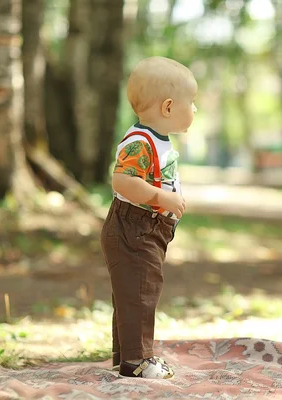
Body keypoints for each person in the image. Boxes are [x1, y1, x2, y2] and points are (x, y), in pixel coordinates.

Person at [100, 56, 197, 379]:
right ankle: (137, 360)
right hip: (134, 227)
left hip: (147, 229)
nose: (194, 110)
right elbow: (123, 181)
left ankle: (124, 356)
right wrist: (160, 197)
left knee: (133, 292)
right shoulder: (140, 142)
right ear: (168, 107)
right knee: (140, 293)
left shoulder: (156, 140)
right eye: (191, 103)